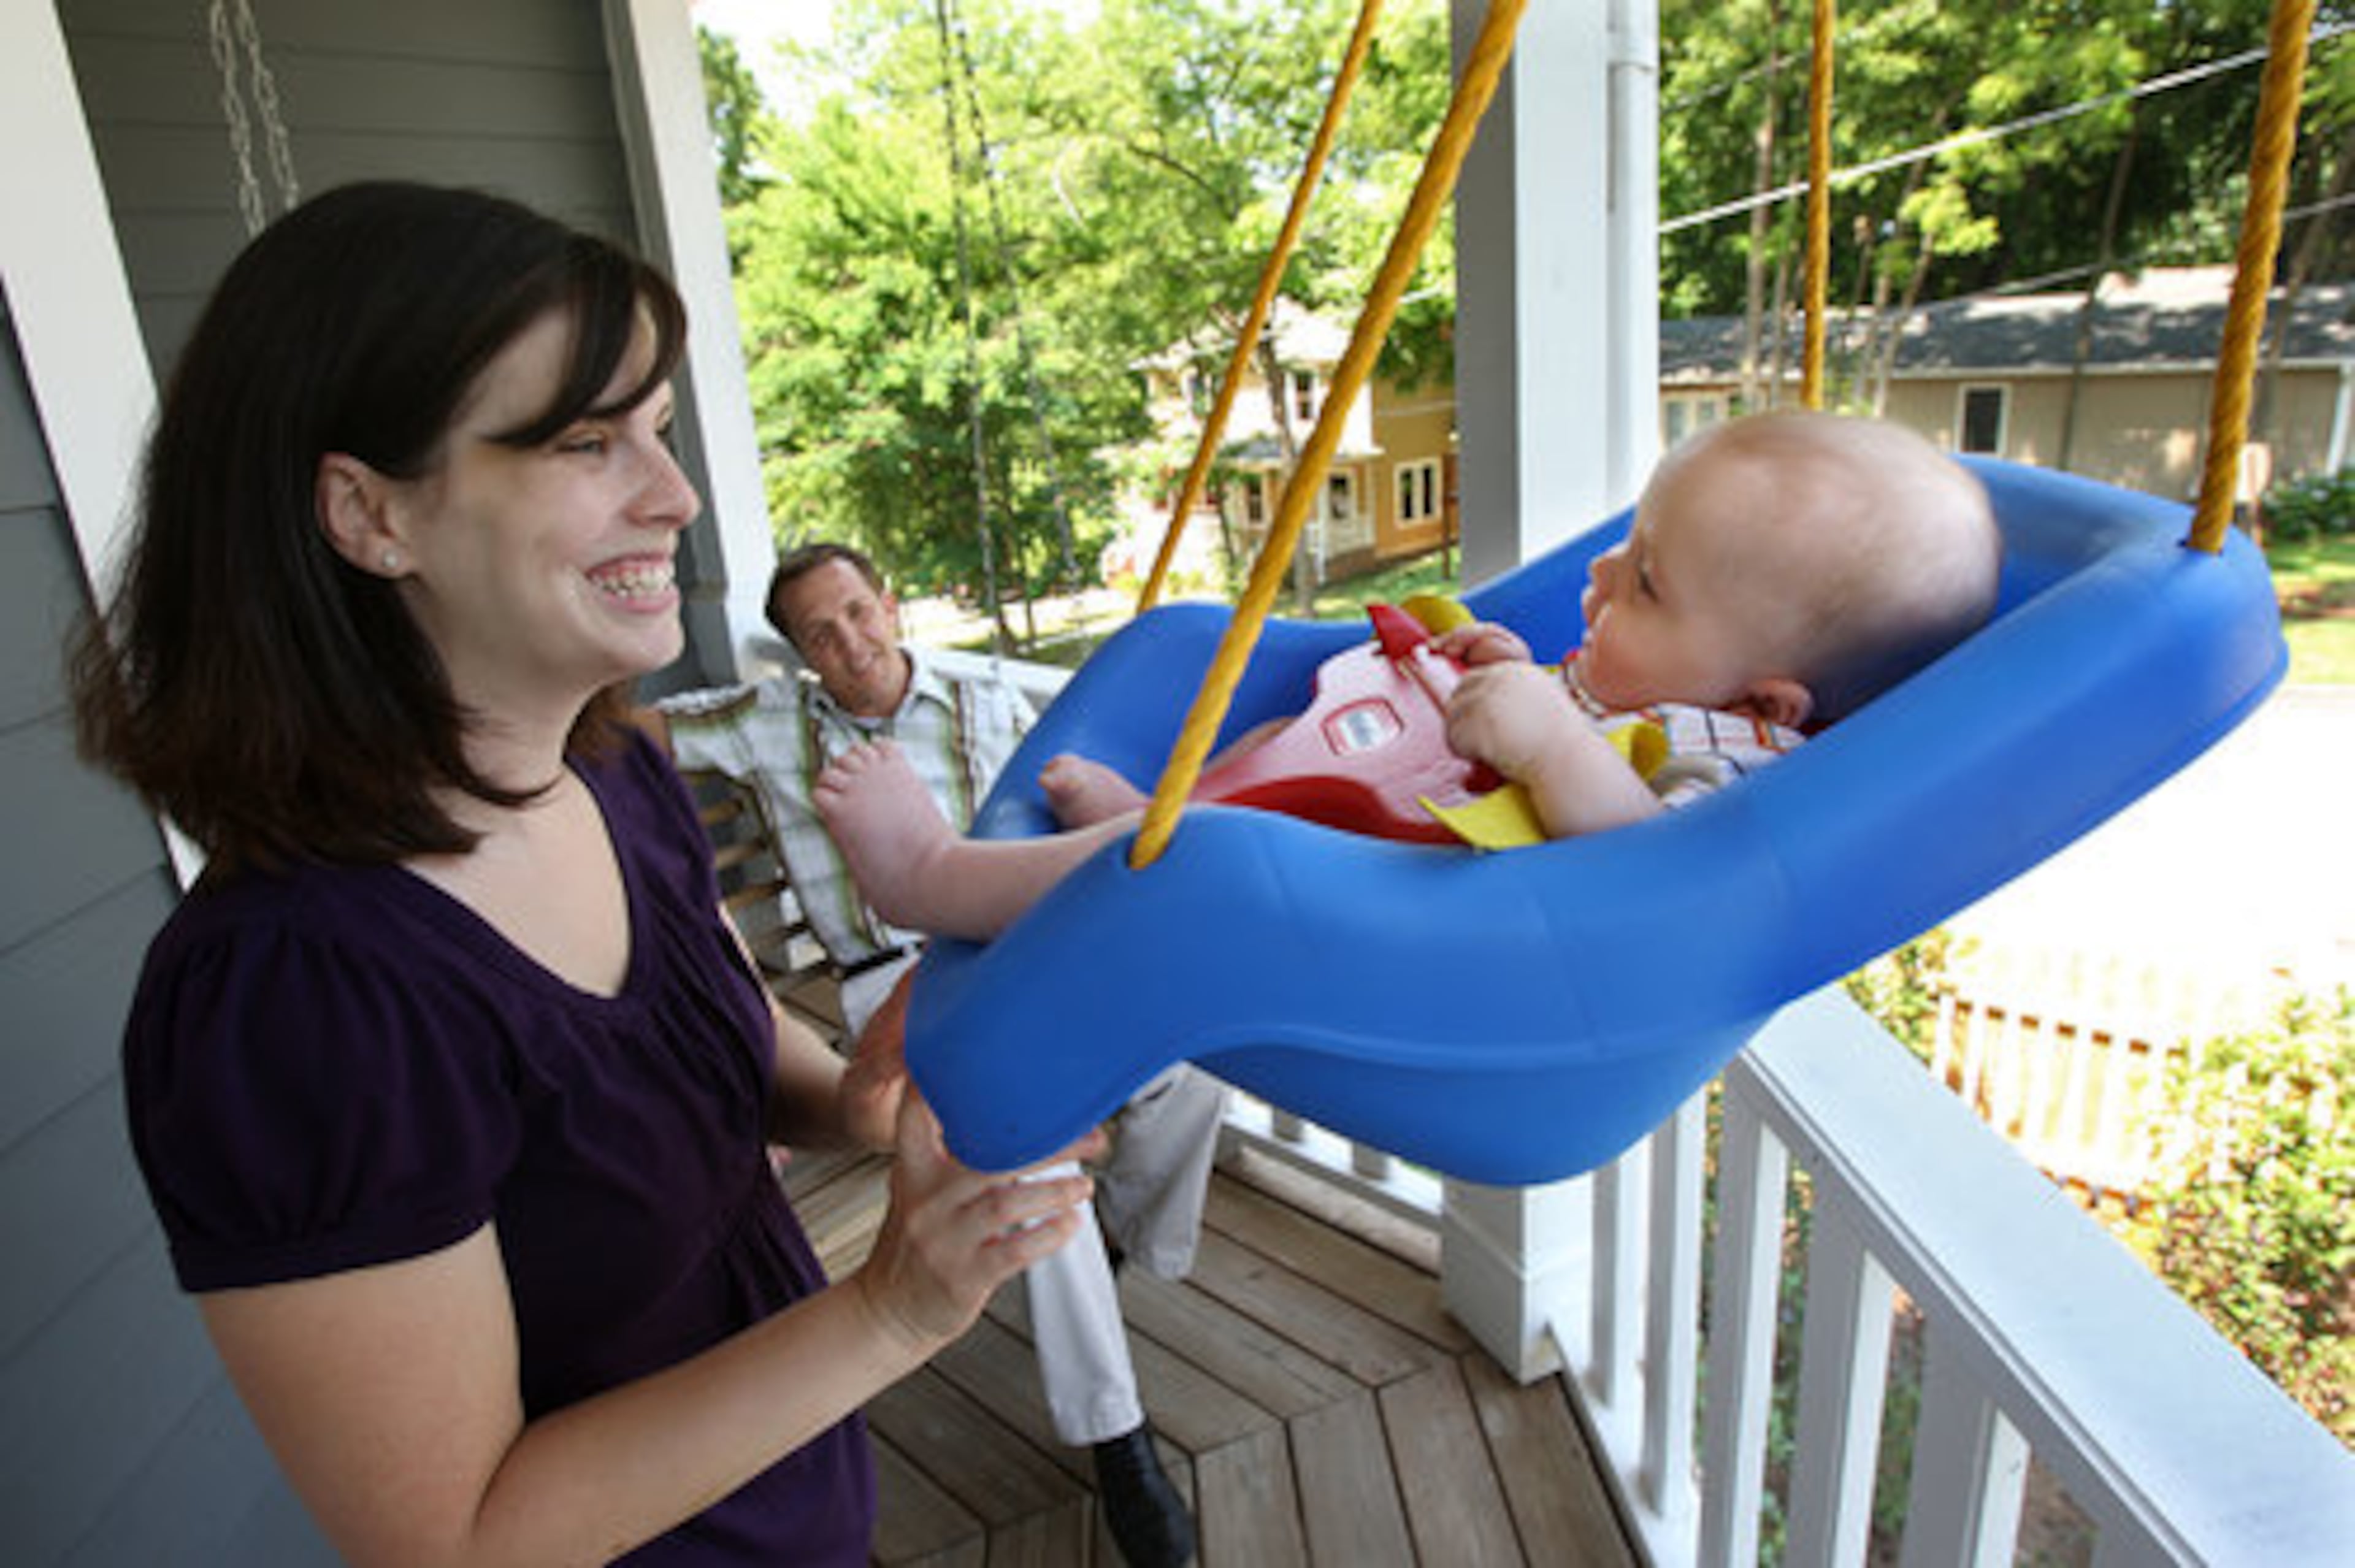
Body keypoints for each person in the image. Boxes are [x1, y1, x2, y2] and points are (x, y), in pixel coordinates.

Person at [67, 180, 1105, 1567]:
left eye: (661, 432)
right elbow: (460, 1538)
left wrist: (873, 1105)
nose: (673, 496)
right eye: (584, 439)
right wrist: (893, 1309)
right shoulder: (296, 994)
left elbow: (737, 1050)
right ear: (371, 514)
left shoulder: (608, 777)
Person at [810, 410, 2004, 942]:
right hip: (1410, 826)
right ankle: (1164, 818)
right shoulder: (1674, 683)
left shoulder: (1745, 761)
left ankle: (936, 878)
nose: (1600, 573)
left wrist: (1548, 739)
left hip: (1430, 933)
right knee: (1317, 732)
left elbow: (1660, 872)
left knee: (1207, 865)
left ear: (1763, 703)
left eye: (1645, 582)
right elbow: (1560, 726)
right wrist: (1509, 673)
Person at [641, 543, 1217, 1568]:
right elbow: (629, 728)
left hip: (1017, 947)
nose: (850, 641)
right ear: (801, 654)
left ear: (892, 605)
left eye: (859, 611)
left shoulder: (984, 701)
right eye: (821, 632)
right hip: (886, 981)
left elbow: (1069, 800)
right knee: (1018, 1146)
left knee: (1192, 1060)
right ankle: (1117, 1436)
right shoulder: (765, 723)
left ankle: (1127, 1243)